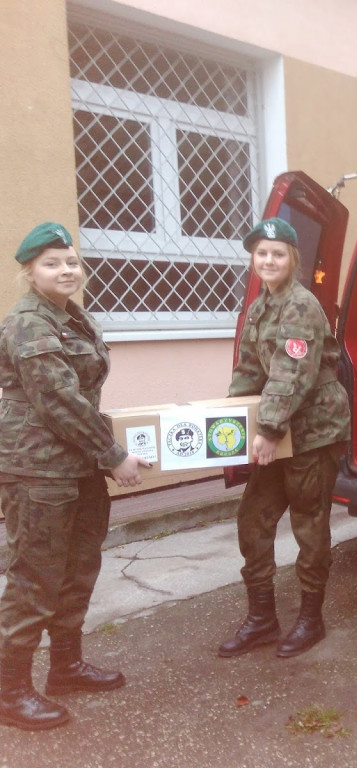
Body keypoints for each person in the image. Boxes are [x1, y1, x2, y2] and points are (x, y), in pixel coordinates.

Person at [0, 222, 150, 730]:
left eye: (70, 261)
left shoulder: (72, 317)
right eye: (51, 263)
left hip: (76, 465)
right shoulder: (27, 323)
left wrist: (102, 454)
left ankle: (65, 667)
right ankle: (11, 691)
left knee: (78, 568)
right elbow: (59, 400)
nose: (65, 270)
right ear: (29, 272)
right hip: (37, 469)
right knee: (34, 577)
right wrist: (113, 454)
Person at [217, 217, 350, 660]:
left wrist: (269, 429)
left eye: (277, 253)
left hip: (312, 433)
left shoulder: (300, 305)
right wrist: (231, 425)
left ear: (293, 259)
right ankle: (262, 619)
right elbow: (251, 371)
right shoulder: (261, 307)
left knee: (309, 525)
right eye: (261, 253)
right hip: (279, 431)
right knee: (252, 519)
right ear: (253, 260)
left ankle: (311, 619)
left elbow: (292, 375)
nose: (268, 260)